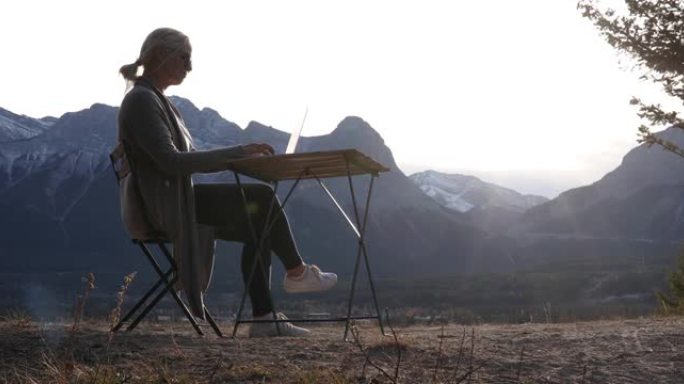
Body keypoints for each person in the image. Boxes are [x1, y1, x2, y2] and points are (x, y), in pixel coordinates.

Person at [116, 27, 337, 337]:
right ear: (160, 55)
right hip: (163, 209)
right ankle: (297, 273)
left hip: (174, 200)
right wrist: (236, 155)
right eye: (184, 58)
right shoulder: (142, 101)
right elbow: (172, 162)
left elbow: (185, 159)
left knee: (259, 225)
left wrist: (241, 157)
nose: (188, 67)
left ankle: (264, 318)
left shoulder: (159, 101)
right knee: (260, 197)